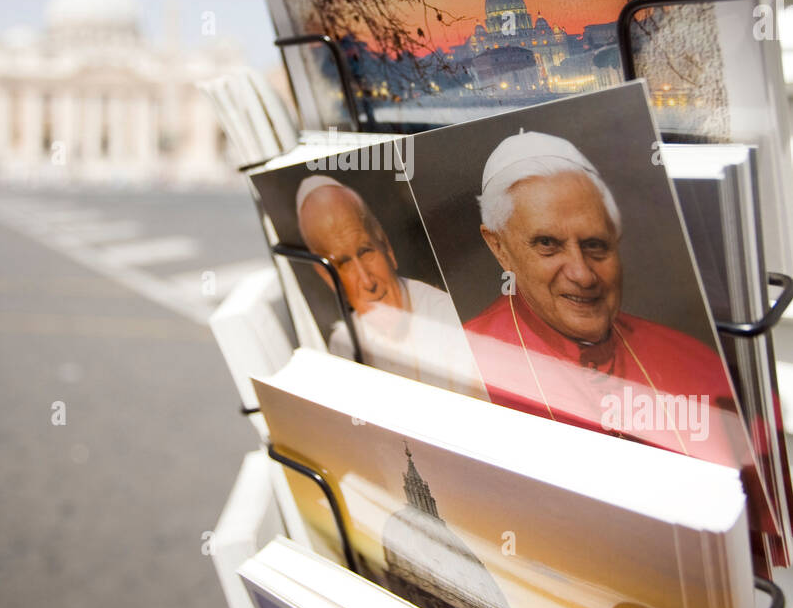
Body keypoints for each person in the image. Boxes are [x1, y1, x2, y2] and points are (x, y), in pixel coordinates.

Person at [464, 131, 741, 463]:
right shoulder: (461, 361)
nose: (582, 274)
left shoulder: (699, 363)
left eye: (595, 245)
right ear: (499, 247)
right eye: (548, 244)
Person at [296, 176, 486, 399]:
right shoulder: (342, 345)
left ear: (386, 247)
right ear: (329, 278)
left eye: (366, 252)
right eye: (344, 264)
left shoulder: (447, 316)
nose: (367, 282)